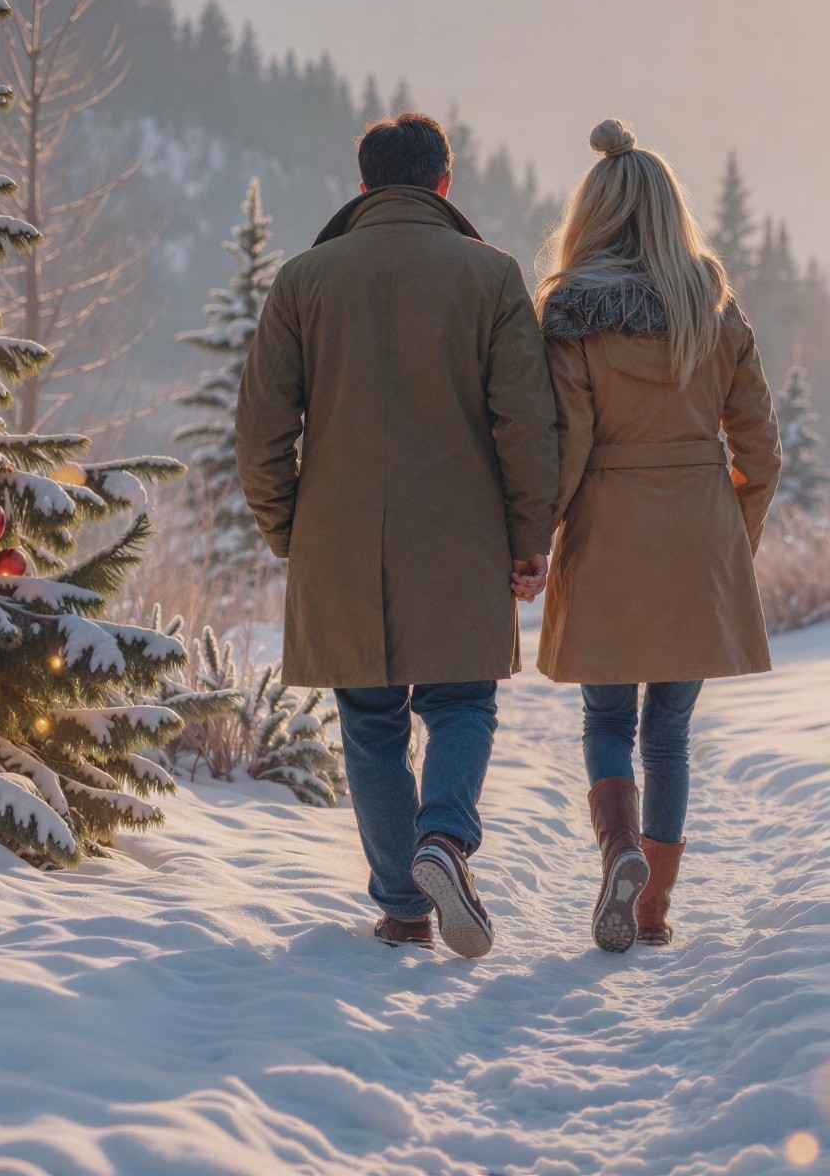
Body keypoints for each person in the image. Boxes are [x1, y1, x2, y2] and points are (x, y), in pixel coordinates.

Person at [234, 113, 559, 958]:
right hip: (463, 536)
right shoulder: (491, 276)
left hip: (339, 541)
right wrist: (530, 535)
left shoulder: (304, 280)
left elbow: (262, 430)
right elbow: (525, 422)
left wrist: (289, 531)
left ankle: (403, 906)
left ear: (367, 184)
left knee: (370, 718)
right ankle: (443, 841)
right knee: (461, 702)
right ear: (444, 184)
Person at [536, 118, 781, 953]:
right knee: (669, 733)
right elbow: (761, 450)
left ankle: (618, 856)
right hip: (700, 539)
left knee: (607, 721)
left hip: (608, 531)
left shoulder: (570, 315)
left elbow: (565, 448)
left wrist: (536, 536)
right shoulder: (714, 305)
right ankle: (651, 912)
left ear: (592, 213)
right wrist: (731, 541)